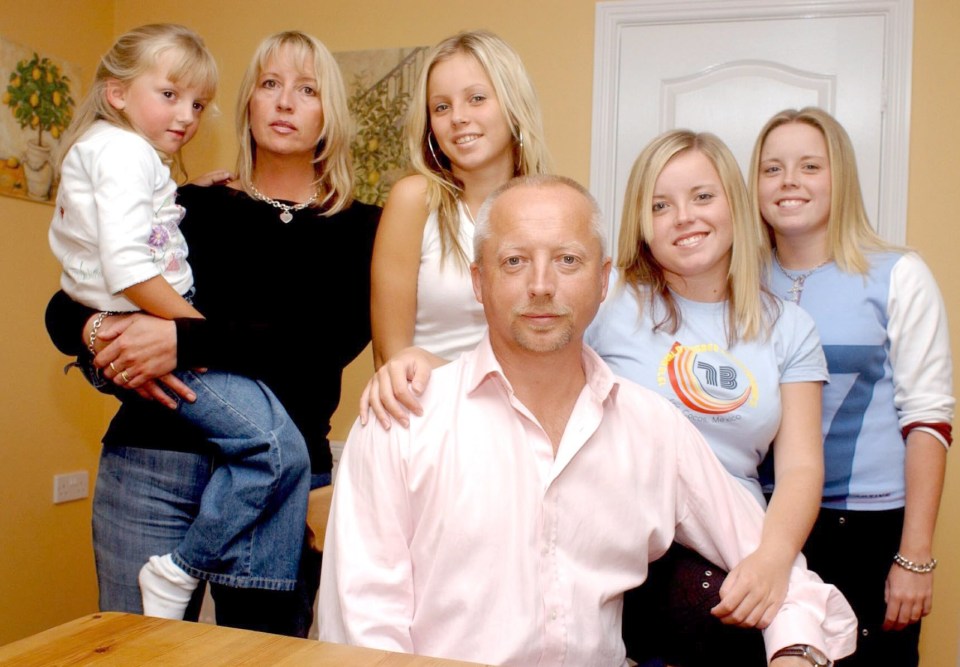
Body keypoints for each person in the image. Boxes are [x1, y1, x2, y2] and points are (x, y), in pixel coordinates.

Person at [319, 175, 857, 666]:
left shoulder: (651, 431)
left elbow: (775, 566)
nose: (541, 285)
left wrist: (797, 649)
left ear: (604, 282)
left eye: (568, 261)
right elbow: (364, 629)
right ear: (478, 282)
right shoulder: (400, 422)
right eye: (513, 262)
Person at [45, 30, 380, 636]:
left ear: (330, 112)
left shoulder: (366, 229)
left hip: (280, 476)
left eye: (306, 90)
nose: (284, 103)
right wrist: (97, 331)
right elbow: (66, 306)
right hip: (153, 464)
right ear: (249, 101)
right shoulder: (188, 205)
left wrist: (180, 341)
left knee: (262, 654)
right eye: (270, 85)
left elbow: (318, 346)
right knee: (130, 650)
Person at [584, 131, 826, 664]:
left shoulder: (791, 328)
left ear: (734, 205)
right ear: (642, 226)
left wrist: (773, 559)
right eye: (660, 205)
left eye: (702, 196)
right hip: (624, 535)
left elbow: (802, 469)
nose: (684, 217)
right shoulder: (607, 305)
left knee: (744, 613)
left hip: (733, 538)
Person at [750, 107, 954, 667]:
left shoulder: (898, 273)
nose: (789, 180)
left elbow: (929, 418)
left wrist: (914, 557)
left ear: (840, 177)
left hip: (865, 527)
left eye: (810, 165)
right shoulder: (734, 281)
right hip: (755, 521)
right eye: (772, 168)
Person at [370, 30, 549, 369]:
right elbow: (390, 358)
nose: (458, 117)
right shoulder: (414, 201)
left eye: (476, 98)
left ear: (513, 105)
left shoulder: (549, 208)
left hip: (524, 413)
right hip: (426, 409)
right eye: (441, 106)